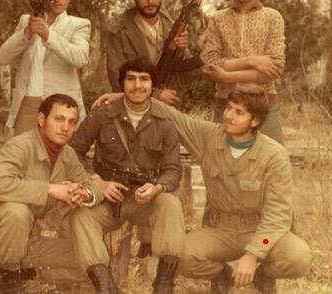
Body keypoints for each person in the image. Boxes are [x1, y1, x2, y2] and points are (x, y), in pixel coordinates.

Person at [92, 85, 310, 293]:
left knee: (298, 258)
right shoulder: (209, 136)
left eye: (239, 112)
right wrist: (129, 96)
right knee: (180, 257)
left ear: (255, 121)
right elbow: (173, 117)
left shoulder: (274, 155)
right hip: (219, 230)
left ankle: (264, 274)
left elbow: (278, 215)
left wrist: (254, 254)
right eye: (228, 108)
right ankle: (221, 275)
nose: (228, 116)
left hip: (260, 231)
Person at [0, 94, 102, 294]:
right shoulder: (20, 146)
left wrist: (83, 193)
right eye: (59, 119)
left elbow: (90, 185)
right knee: (17, 211)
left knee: (88, 259)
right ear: (41, 119)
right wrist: (51, 189)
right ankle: (9, 282)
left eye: (72, 122)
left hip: (28, 243)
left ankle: (28, 273)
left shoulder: (67, 154)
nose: (65, 127)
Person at [69, 58, 185, 294]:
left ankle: (164, 283)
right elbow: (73, 151)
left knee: (170, 204)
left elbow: (173, 169)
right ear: (122, 84)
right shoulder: (103, 115)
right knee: (80, 215)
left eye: (144, 79)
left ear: (153, 85)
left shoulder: (165, 122)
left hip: (144, 199)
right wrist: (95, 181)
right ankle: (105, 285)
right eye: (131, 79)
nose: (137, 85)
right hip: (108, 198)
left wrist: (157, 188)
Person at [201, 0, 285, 144]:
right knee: (222, 160)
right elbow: (208, 64)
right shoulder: (218, 19)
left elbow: (274, 69)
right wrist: (251, 60)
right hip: (227, 107)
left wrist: (226, 76)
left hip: (263, 108)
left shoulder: (272, 17)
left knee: (273, 160)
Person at [0, 0, 91, 136]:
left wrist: (48, 35)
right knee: (24, 151)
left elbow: (80, 58)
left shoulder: (79, 24)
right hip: (28, 102)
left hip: (61, 105)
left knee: (60, 152)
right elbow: (3, 57)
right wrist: (26, 33)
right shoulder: (26, 21)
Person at [105, 0, 198, 108]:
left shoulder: (172, 27)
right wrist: (155, 94)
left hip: (170, 110)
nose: (150, 1)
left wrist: (181, 50)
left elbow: (189, 77)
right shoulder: (119, 32)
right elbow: (117, 81)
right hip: (133, 109)